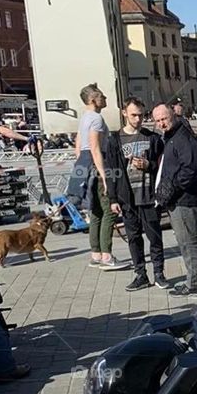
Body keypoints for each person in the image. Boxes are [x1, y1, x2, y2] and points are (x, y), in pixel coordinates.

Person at [104, 99, 167, 291]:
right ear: (124, 113)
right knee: (133, 238)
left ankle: (159, 274)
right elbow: (111, 170)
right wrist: (113, 199)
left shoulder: (152, 138)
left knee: (155, 237)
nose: (138, 119)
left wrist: (149, 165)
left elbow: (163, 167)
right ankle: (141, 274)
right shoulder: (115, 140)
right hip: (127, 199)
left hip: (148, 196)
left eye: (141, 115)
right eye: (134, 115)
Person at [152, 103, 197, 296]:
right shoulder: (171, 137)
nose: (161, 124)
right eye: (158, 121)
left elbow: (189, 170)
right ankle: (193, 281)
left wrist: (171, 189)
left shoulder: (183, 137)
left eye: (164, 119)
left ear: (173, 116)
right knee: (185, 242)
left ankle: (194, 285)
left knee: (189, 242)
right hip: (177, 200)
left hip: (184, 200)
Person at [74, 84, 128, 271]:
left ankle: (96, 254)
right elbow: (95, 148)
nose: (105, 98)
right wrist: (105, 177)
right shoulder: (96, 118)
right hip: (98, 165)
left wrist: (82, 169)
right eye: (101, 96)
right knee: (108, 211)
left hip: (85, 165)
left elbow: (78, 146)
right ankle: (107, 256)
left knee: (95, 211)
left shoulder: (84, 119)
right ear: (92, 100)